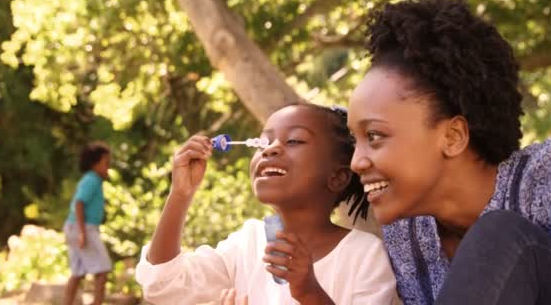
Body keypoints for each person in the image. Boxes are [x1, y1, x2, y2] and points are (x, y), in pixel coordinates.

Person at [347, 0, 551, 305]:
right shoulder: (408, 230)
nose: (356, 161)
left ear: (453, 136)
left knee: (500, 235)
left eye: (374, 136)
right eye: (354, 139)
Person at [135, 104, 400, 305]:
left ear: (338, 177)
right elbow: (163, 285)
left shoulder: (364, 255)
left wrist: (308, 290)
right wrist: (180, 194)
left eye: (294, 140)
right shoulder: (246, 244)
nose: (269, 149)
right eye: (264, 140)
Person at [63, 141, 112, 305]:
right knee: (103, 269)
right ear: (94, 164)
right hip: (83, 228)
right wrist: (83, 233)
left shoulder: (92, 180)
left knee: (77, 272)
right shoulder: (92, 180)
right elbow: (79, 203)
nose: (108, 168)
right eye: (106, 164)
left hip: (74, 227)